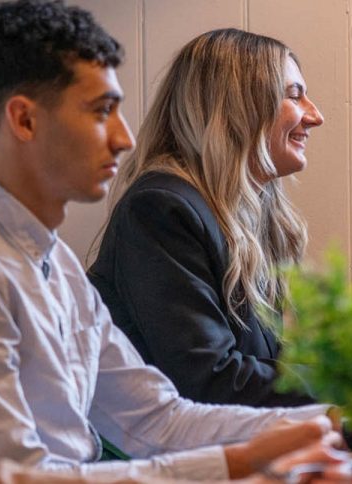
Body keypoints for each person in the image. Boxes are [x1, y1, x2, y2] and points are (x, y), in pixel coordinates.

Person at [0, 1, 337, 480]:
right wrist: (239, 462)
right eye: (103, 110)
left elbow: (157, 418)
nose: (124, 138)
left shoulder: (52, 260)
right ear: (24, 120)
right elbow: (15, 476)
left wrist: (334, 419)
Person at [87, 28, 322, 407]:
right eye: (294, 95)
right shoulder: (161, 210)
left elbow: (263, 365)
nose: (316, 116)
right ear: (237, 106)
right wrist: (350, 386)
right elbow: (210, 379)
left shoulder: (246, 214)